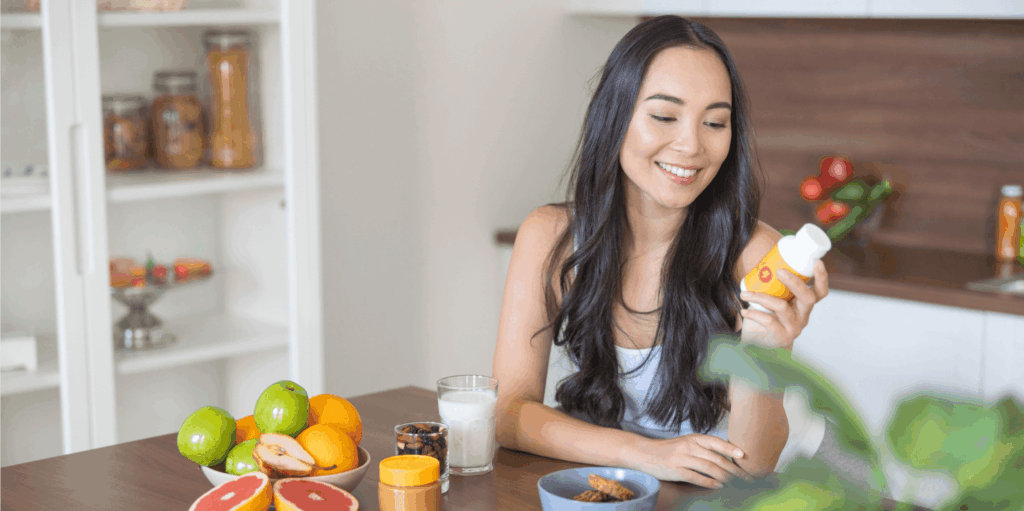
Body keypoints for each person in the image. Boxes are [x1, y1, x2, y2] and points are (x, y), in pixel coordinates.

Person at [492, 15, 830, 490]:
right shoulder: (550, 236)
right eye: (665, 116)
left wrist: (768, 347)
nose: (691, 145)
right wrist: (647, 455)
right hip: (617, 482)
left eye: (715, 122)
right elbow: (507, 414)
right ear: (616, 115)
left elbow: (753, 463)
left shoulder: (757, 256)